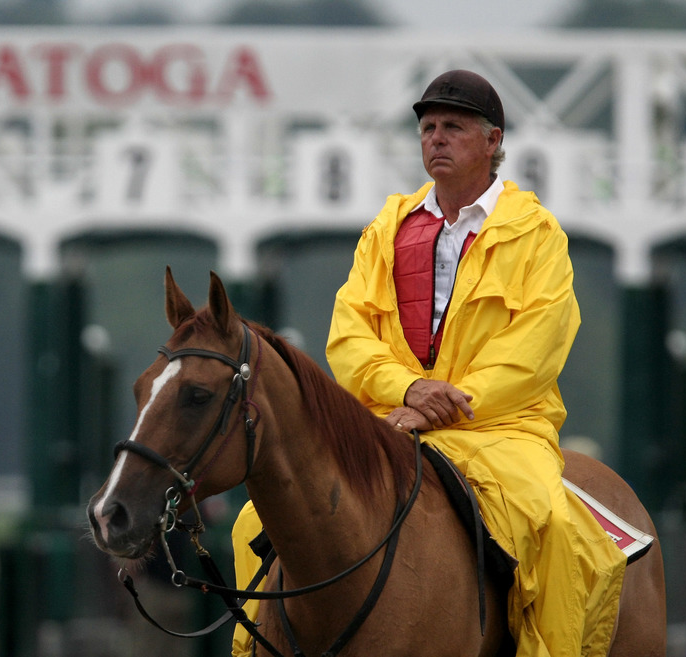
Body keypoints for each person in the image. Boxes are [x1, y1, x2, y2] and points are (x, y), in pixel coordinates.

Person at [231, 70, 627, 657]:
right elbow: (350, 335)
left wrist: (448, 405)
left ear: (492, 141)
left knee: (552, 524)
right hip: (387, 419)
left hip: (498, 429)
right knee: (250, 522)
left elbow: (536, 349)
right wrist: (410, 391)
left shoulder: (537, 235)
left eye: (453, 127)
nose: (436, 138)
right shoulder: (385, 230)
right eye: (428, 128)